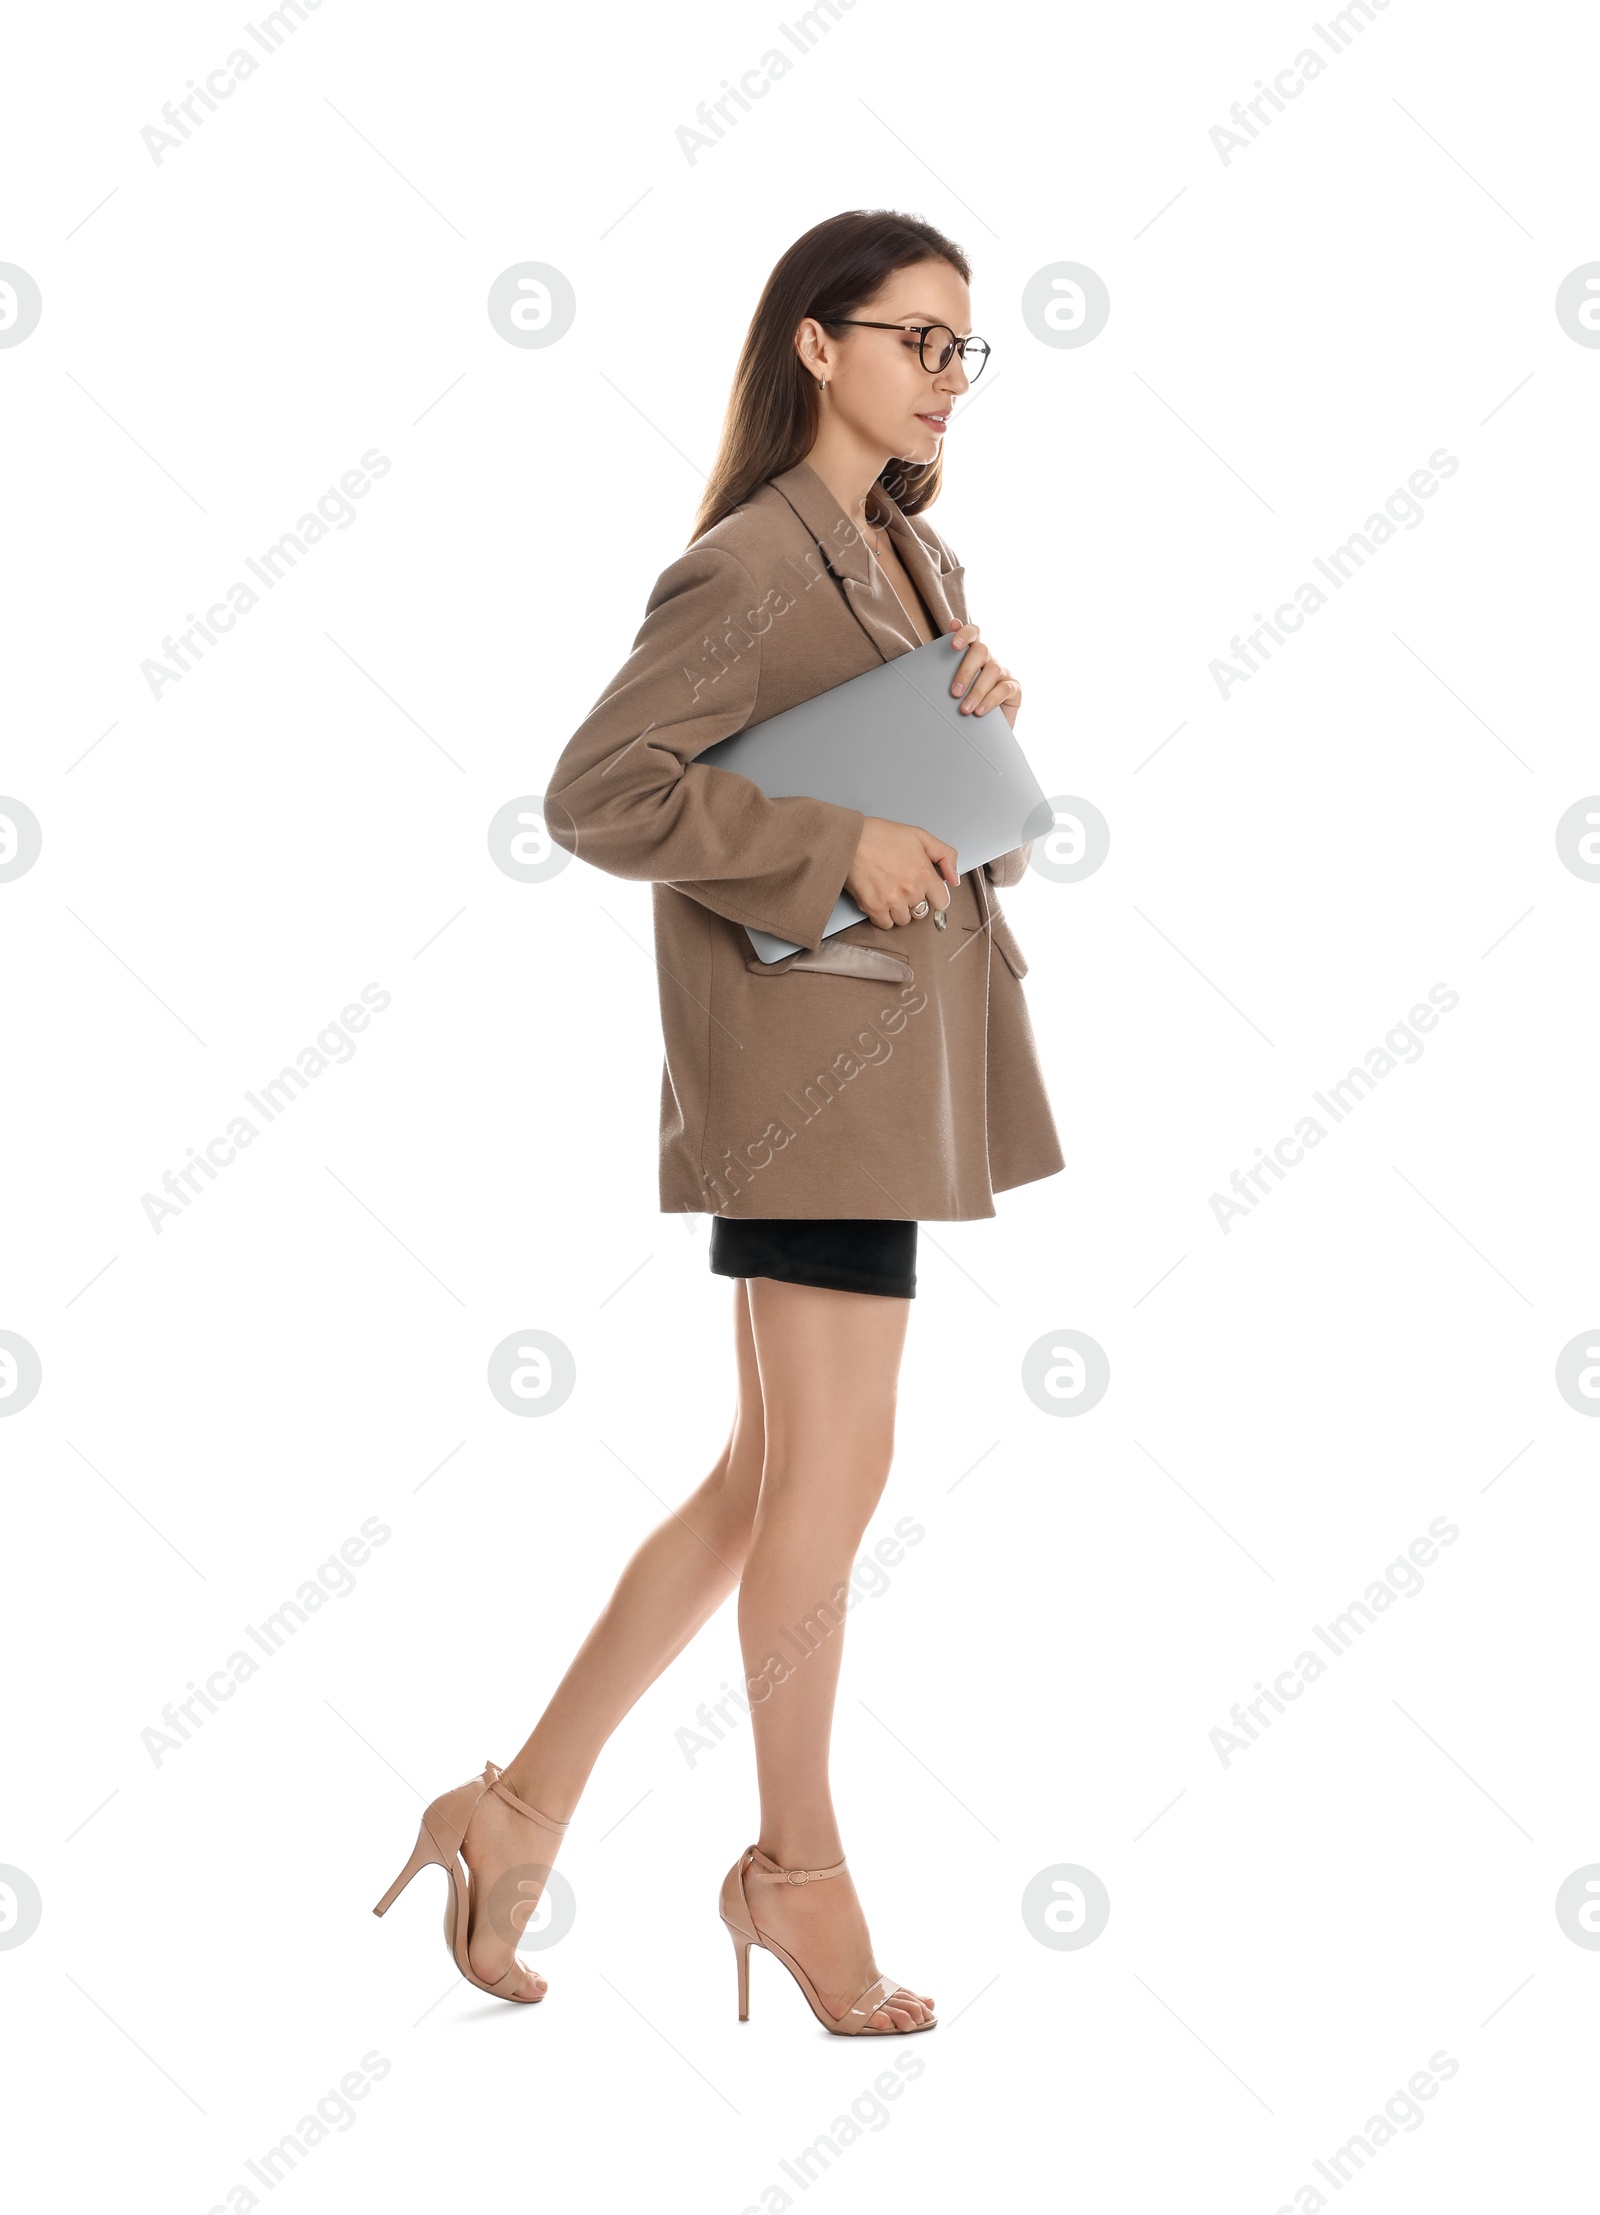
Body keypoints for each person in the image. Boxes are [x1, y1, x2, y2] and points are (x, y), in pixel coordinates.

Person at [374, 208, 1063, 2036]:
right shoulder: (753, 562)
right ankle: (797, 1871)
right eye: (918, 339)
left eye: (963, 349)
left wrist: (969, 712)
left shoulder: (909, 554)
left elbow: (886, 776)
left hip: (885, 1066)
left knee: (773, 1483)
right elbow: (600, 793)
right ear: (817, 345)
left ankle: (512, 1808)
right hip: (808, 1073)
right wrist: (841, 844)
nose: (947, 378)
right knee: (827, 1490)